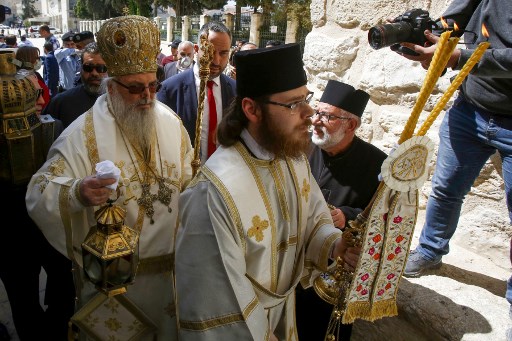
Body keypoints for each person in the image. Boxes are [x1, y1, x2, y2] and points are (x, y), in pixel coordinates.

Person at [26, 15, 193, 340]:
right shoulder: (81, 135)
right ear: (112, 87)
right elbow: (38, 192)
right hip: (114, 287)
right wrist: (77, 193)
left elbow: (189, 181)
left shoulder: (171, 123)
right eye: (135, 88)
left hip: (172, 284)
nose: (147, 96)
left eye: (152, 86)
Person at [175, 43, 356, 340]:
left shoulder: (293, 158)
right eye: (293, 104)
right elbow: (216, 301)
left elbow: (313, 218)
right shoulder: (213, 192)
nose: (309, 113)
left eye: (306, 98)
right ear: (251, 109)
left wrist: (336, 246)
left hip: (285, 313)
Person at [395, 0, 512, 296]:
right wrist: (414, 33)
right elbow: (452, 22)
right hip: (470, 110)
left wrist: (459, 56)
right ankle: (430, 251)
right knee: (446, 189)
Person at [295, 79, 387, 341]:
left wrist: (346, 215)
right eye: (317, 112)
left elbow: (380, 217)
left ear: (351, 125)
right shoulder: (302, 147)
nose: (316, 121)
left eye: (327, 116)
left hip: (335, 268)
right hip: (296, 257)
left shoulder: (377, 164)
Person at [0, 51, 71, 341]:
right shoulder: (47, 127)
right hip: (13, 223)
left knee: (59, 283)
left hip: (44, 216)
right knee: (23, 292)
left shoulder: (50, 128)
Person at [157, 21, 236, 163]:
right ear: (196, 49)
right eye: (210, 52)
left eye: (223, 53)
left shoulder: (236, 90)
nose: (216, 61)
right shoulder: (169, 90)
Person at [42, 42, 108, 128]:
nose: (94, 73)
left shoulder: (122, 99)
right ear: (81, 68)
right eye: (88, 68)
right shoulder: (61, 102)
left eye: (101, 68)